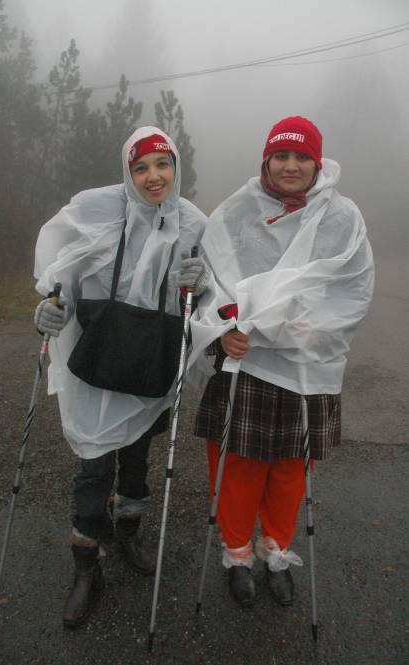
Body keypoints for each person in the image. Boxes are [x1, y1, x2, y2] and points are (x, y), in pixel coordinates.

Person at [184, 116, 374, 608]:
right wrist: (223, 332)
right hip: (244, 365)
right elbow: (213, 285)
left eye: (301, 156)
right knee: (238, 464)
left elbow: (353, 289)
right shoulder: (236, 212)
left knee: (291, 467)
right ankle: (238, 554)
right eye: (281, 156)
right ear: (266, 160)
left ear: (317, 162)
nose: (291, 166)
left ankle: (276, 550)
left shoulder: (342, 216)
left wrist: (304, 330)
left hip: (306, 365)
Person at [33, 126, 206, 628]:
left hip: (153, 363)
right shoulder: (98, 214)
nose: (154, 176)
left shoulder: (194, 224)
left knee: (136, 458)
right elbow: (60, 280)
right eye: (140, 167)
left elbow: (216, 298)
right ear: (127, 173)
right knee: (93, 465)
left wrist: (206, 283)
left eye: (162, 164)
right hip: (99, 360)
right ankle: (86, 567)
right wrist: (46, 310)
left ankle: (128, 531)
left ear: (176, 166)